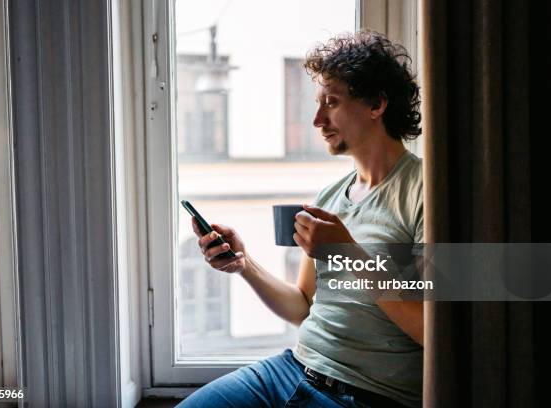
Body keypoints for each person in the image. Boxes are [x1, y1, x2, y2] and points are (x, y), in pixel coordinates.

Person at [177, 30, 423, 408]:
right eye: (317, 103)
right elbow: (302, 306)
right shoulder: (329, 198)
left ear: (376, 104)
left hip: (366, 394)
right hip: (291, 370)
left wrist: (344, 251)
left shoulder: (426, 192)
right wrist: (245, 265)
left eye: (332, 102)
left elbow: (430, 330)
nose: (317, 119)